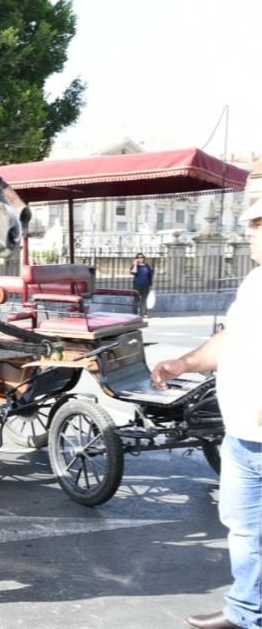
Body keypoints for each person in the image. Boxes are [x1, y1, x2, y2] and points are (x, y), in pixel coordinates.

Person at [151, 199, 262, 629]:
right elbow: (232, 339)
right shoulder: (255, 281)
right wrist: (184, 364)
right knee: (245, 531)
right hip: (240, 438)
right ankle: (246, 610)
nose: (249, 230)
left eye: (257, 223)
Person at [130, 252, 154, 316]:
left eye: (142, 257)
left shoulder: (147, 266)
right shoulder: (135, 266)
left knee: (144, 299)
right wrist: (135, 264)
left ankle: (144, 313)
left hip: (146, 285)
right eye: (139, 257)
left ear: (144, 258)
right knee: (136, 299)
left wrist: (150, 284)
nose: (141, 259)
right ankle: (135, 313)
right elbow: (133, 272)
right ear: (136, 258)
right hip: (137, 285)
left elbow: (150, 275)